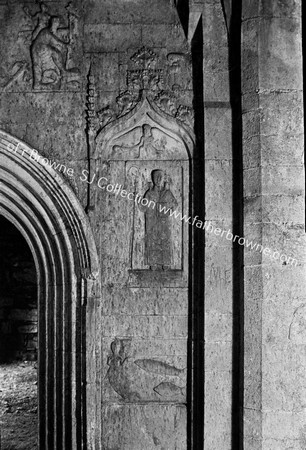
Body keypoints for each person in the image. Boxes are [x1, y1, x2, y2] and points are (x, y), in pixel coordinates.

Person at [139, 169, 177, 270]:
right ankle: (153, 263)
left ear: (163, 178)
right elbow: (143, 207)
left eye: (160, 177)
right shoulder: (149, 193)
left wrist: (170, 211)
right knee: (152, 241)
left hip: (165, 222)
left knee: (165, 241)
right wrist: (137, 200)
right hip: (152, 221)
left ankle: (166, 263)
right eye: (156, 177)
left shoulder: (167, 193)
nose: (158, 179)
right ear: (153, 179)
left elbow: (175, 204)